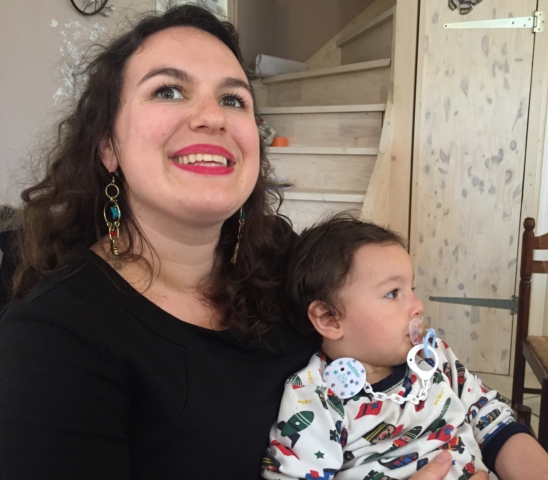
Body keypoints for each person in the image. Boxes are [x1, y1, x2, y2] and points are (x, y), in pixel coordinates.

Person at [0, 6, 318, 479]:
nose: (212, 117)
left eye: (233, 99)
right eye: (167, 91)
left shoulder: (287, 259)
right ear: (108, 146)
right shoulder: (52, 339)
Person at [262, 215, 548, 480]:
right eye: (393, 293)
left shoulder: (434, 358)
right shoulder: (314, 398)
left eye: (412, 289)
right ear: (329, 318)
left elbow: (493, 421)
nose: (418, 305)